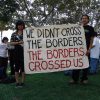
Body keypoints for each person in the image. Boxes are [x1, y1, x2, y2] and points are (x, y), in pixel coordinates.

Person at [69, 15, 95, 84]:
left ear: (88, 20)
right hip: (77, 50)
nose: (84, 19)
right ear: (81, 20)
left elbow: (92, 40)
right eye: (83, 18)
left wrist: (89, 49)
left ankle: (84, 79)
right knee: (76, 64)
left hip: (86, 50)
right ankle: (74, 79)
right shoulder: (77, 28)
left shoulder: (90, 28)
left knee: (85, 65)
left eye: (86, 18)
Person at [10, 20, 25, 87]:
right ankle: (17, 82)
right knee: (16, 68)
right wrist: (19, 42)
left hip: (24, 52)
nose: (20, 26)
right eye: (19, 25)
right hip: (16, 52)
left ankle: (22, 82)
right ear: (17, 26)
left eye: (22, 25)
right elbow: (11, 43)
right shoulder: (14, 34)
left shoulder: (26, 33)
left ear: (23, 26)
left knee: (23, 68)